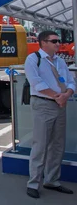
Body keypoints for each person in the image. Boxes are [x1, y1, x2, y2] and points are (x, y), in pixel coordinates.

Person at [25, 30, 75, 199]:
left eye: (57, 41)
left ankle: (52, 180)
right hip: (43, 105)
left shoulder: (60, 61)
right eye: (53, 41)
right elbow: (36, 83)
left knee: (57, 145)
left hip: (60, 104)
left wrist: (66, 95)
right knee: (41, 145)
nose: (57, 43)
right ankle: (33, 183)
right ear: (43, 43)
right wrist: (57, 96)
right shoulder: (33, 59)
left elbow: (70, 81)